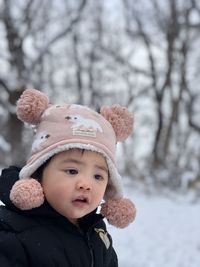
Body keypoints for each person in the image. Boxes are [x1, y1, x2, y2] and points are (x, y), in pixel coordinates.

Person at [0, 89, 136, 267]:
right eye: (72, 171)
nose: (86, 184)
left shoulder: (96, 231)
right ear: (38, 173)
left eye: (98, 176)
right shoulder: (12, 235)